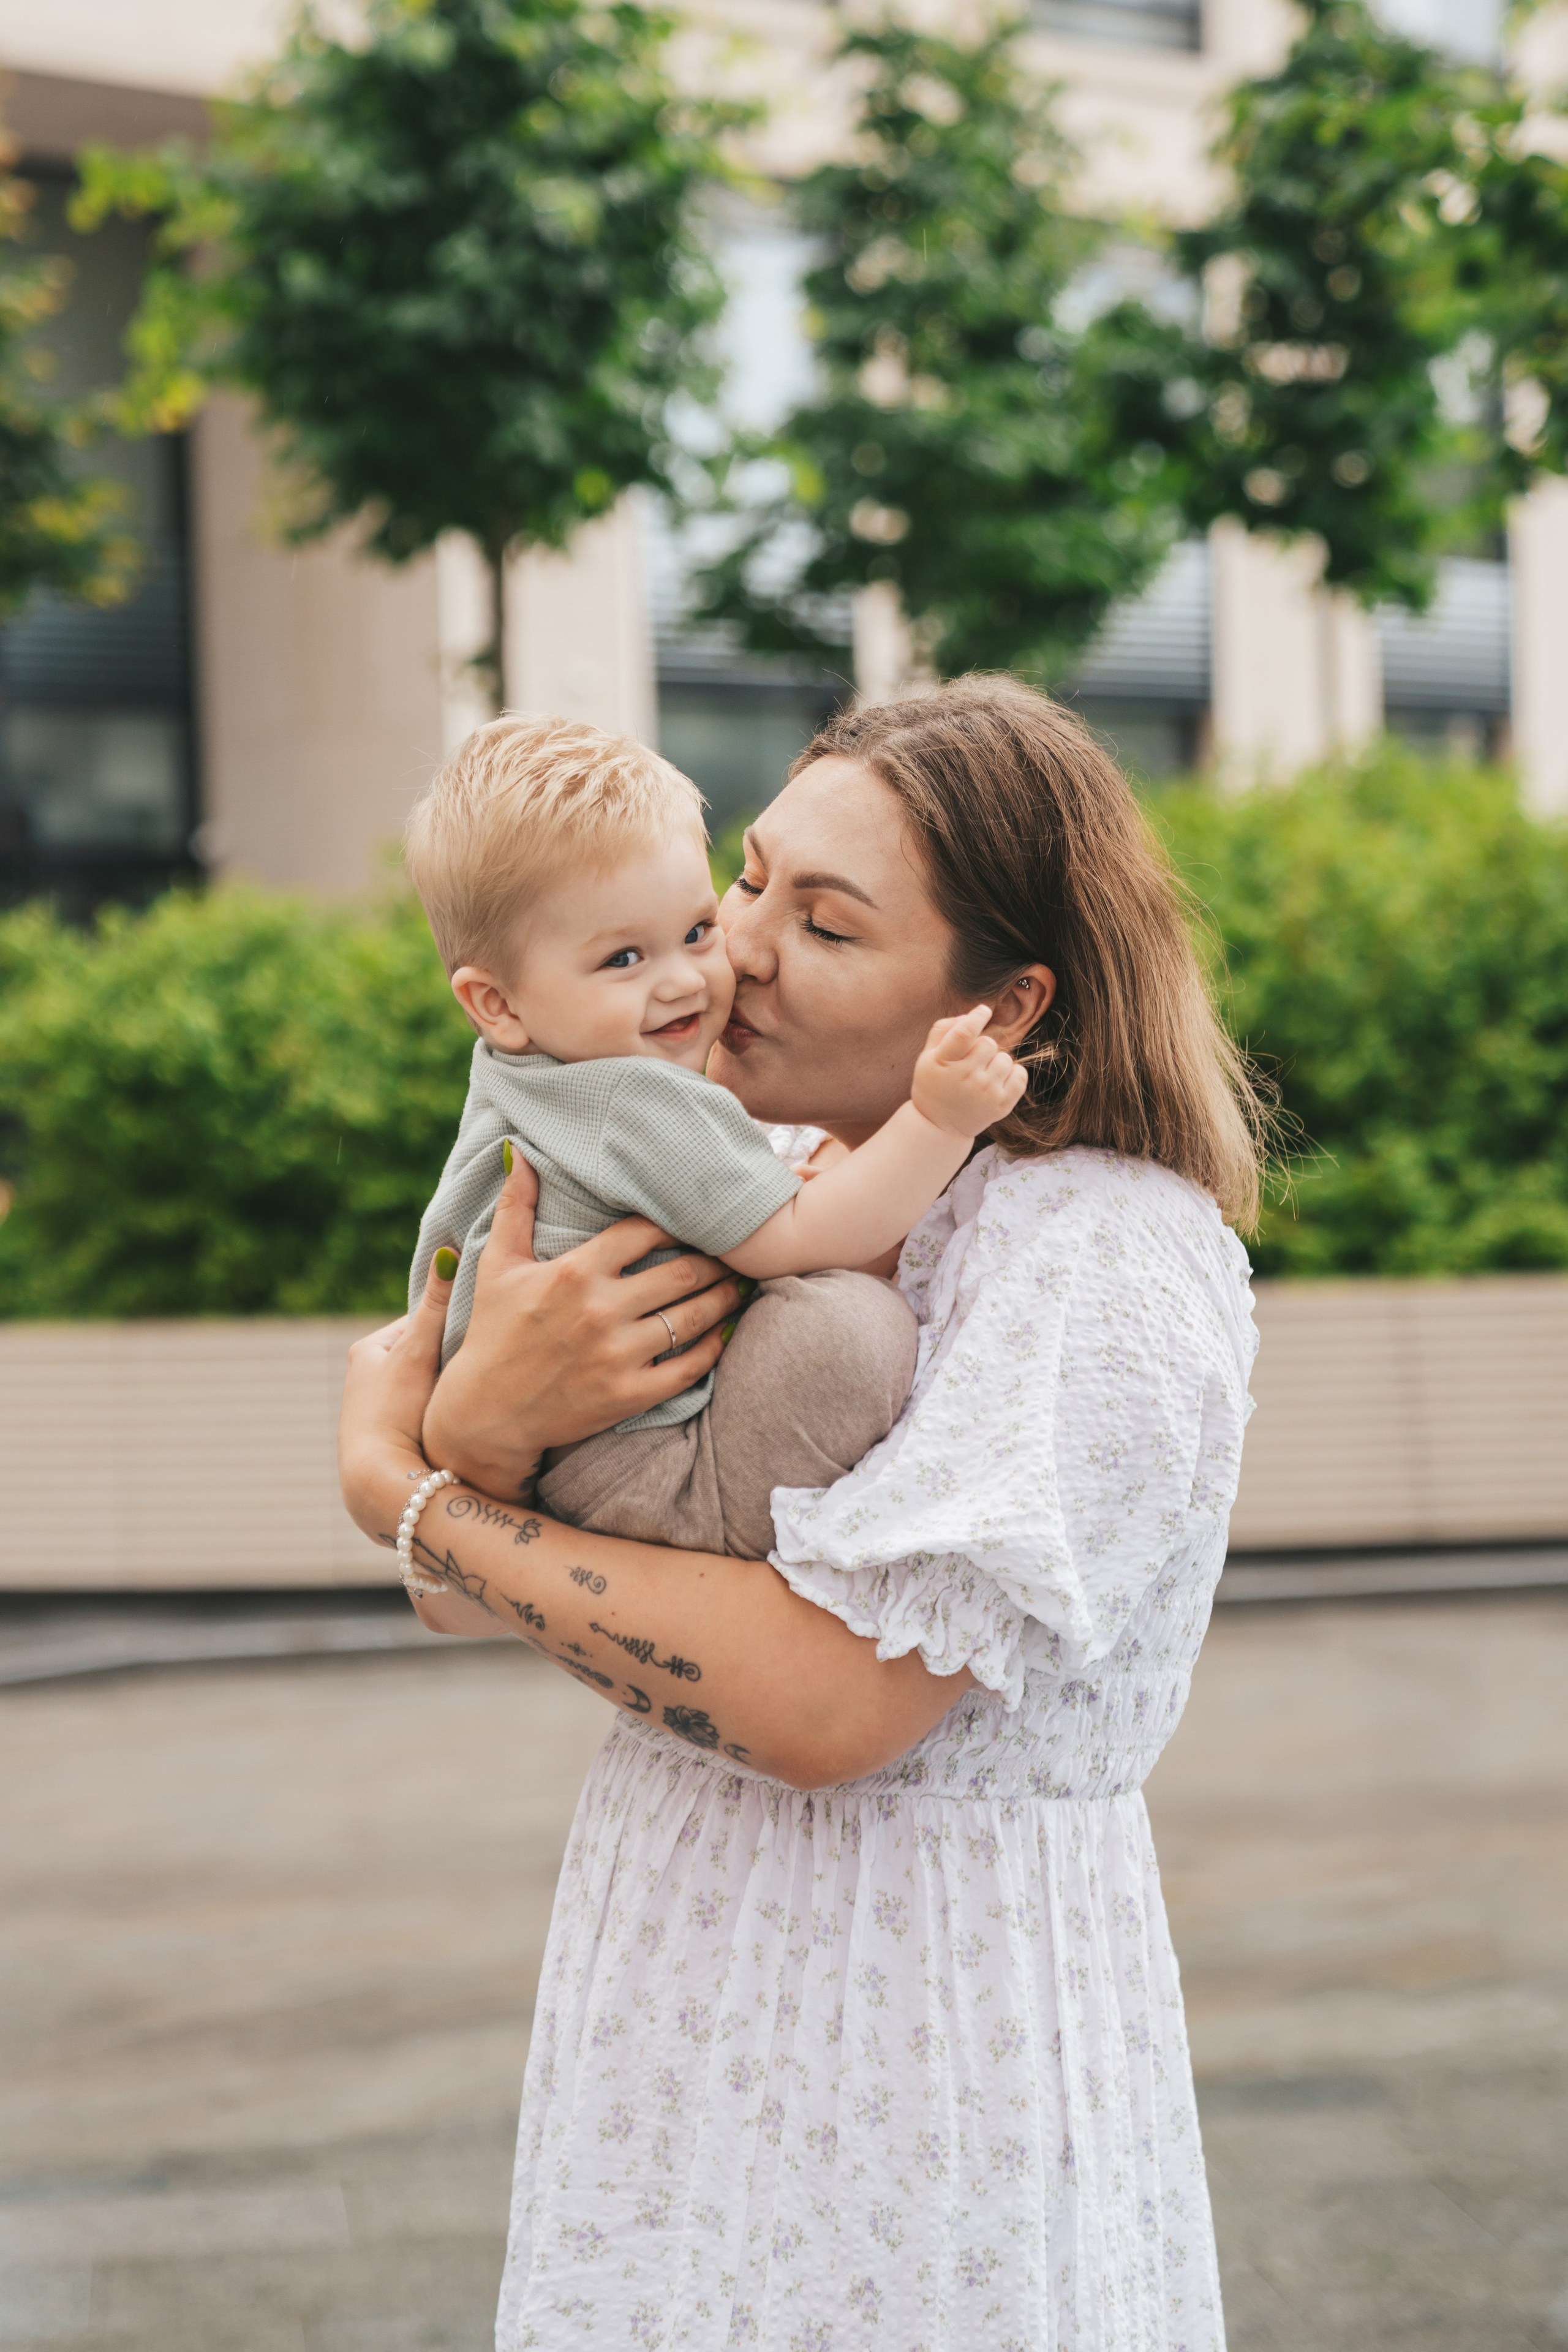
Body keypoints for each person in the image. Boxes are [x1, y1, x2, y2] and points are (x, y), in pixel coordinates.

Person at [339, 676, 1267, 2351]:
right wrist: (483, 1426)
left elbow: (825, 1705)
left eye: (822, 924)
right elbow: (487, 1580)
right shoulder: (721, 1155)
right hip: (677, 1958)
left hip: (923, 2020)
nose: (734, 950)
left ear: (1000, 1001)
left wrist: (411, 1493)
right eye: (747, 879)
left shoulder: (1103, 1264)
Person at [402, 712, 1023, 1557]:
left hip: (550, 1445)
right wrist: (940, 1119)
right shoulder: (637, 1098)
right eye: (625, 959)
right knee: (849, 1329)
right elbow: (799, 1238)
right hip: (636, 1466)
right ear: (497, 1004)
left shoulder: (524, 1074)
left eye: (695, 932)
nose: (694, 978)